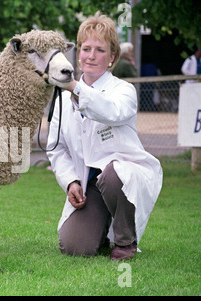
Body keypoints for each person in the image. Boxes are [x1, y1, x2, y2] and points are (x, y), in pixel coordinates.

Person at [46, 14, 163, 260]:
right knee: (75, 247)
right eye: (85, 48)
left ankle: (124, 242)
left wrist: (76, 88)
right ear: (78, 53)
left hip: (121, 178)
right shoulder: (62, 99)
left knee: (114, 174)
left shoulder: (123, 90)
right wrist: (70, 182)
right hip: (90, 184)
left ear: (111, 57)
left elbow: (112, 110)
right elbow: (57, 149)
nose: (90, 55)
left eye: (100, 50)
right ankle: (101, 228)